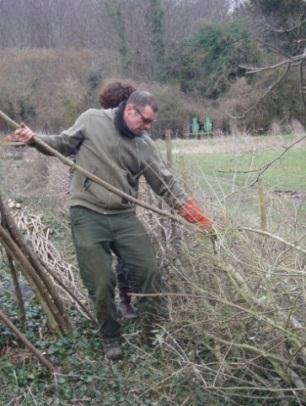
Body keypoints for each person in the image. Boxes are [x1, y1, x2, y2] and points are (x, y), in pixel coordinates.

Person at [6, 90, 213, 360]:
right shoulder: (92, 120)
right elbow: (62, 144)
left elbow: (166, 185)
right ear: (130, 111)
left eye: (151, 123)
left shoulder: (145, 145)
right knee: (101, 282)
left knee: (149, 274)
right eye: (145, 121)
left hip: (124, 216)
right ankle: (111, 338)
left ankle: (152, 334)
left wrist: (198, 218)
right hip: (88, 213)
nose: (149, 128)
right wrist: (34, 139)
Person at [98, 79, 138, 320]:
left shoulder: (133, 134)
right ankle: (121, 302)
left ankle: (123, 302)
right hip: (103, 207)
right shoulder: (96, 126)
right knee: (118, 258)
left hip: (121, 206)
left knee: (122, 257)